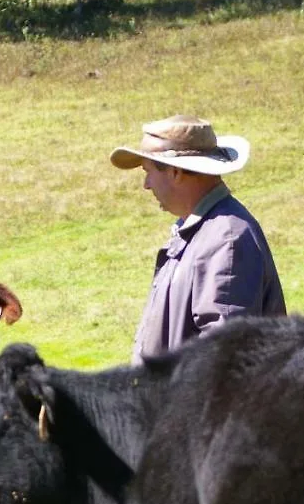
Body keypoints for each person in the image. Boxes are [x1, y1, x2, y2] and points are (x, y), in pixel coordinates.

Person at [110, 114, 285, 364]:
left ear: (176, 172)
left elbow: (222, 362)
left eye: (148, 172)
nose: (146, 185)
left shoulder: (226, 238)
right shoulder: (201, 231)